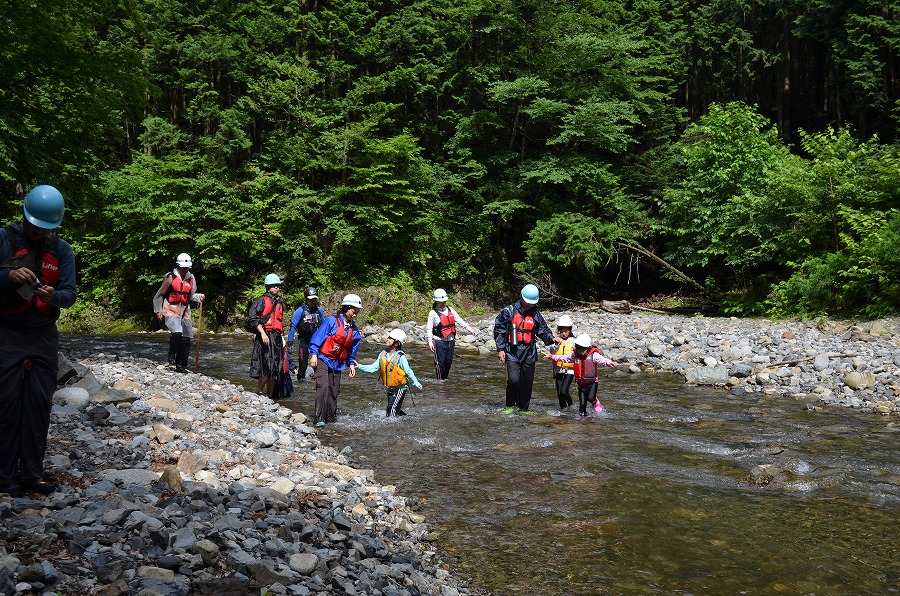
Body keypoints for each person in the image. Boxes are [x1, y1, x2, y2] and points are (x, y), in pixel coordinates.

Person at [0, 185, 77, 497]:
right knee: (6, 403)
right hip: (6, 332)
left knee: (38, 404)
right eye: (35, 225)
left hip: (44, 335)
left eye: (45, 228)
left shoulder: (62, 250)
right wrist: (7, 277)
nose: (38, 232)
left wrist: (53, 296)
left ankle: (32, 474)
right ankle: (5, 477)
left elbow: (69, 295)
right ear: (24, 214)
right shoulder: (3, 239)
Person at [493, 284, 561, 414]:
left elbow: (543, 330)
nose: (529, 305)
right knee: (513, 380)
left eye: (532, 302)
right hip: (512, 351)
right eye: (527, 302)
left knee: (527, 382)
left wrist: (551, 338)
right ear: (521, 297)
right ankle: (509, 406)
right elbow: (499, 330)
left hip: (529, 352)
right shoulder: (509, 311)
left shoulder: (535, 313)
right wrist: (500, 349)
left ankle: (523, 408)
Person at [308, 293, 363, 427]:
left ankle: (331, 419)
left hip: (337, 363)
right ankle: (319, 418)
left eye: (357, 312)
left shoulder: (353, 329)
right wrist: (313, 354)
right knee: (323, 386)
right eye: (353, 311)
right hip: (322, 358)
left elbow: (352, 348)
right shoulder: (331, 321)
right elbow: (317, 337)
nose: (355, 314)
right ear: (346, 308)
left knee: (334, 390)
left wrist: (350, 363)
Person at [152, 252, 205, 373]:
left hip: (184, 311)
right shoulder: (170, 277)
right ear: (178, 266)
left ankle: (181, 366)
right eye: (182, 267)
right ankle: (171, 354)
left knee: (186, 339)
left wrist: (199, 297)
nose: (184, 270)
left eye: (187, 268)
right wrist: (158, 310)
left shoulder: (191, 278)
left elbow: (191, 295)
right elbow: (159, 295)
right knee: (177, 333)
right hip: (170, 308)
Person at [546, 333, 616, 417]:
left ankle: (595, 401)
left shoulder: (594, 356)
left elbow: (603, 360)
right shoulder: (575, 356)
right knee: (582, 407)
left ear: (588, 348)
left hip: (592, 382)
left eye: (583, 350)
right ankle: (583, 421)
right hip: (581, 384)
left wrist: (610, 363)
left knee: (590, 398)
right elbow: (564, 358)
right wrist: (551, 356)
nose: (581, 352)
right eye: (579, 350)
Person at [357, 328, 424, 416]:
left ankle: (393, 427)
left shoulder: (401, 357)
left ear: (396, 343)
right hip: (390, 388)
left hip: (400, 388)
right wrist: (359, 366)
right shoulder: (382, 354)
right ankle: (408, 419)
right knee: (391, 409)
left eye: (390, 338)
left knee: (391, 411)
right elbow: (373, 368)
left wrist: (416, 382)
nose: (387, 339)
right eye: (388, 337)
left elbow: (408, 371)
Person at [426, 288, 478, 380]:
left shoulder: (450, 310)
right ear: (436, 302)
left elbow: (459, 320)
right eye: (440, 302)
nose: (442, 303)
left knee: (448, 362)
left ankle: (445, 381)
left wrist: (470, 329)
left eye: (444, 301)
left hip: (450, 341)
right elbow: (429, 328)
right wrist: (430, 342)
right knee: (440, 363)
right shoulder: (432, 313)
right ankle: (440, 383)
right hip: (438, 341)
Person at [248, 273, 285, 398]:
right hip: (265, 336)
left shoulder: (280, 302)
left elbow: (279, 321)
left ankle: (269, 395)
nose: (276, 288)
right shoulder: (261, 301)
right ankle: (259, 391)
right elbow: (253, 319)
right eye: (273, 286)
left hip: (276, 337)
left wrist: (282, 338)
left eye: (278, 286)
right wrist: (263, 333)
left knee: (275, 366)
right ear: (267, 287)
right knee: (265, 364)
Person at [287, 286, 325, 383]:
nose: (313, 302)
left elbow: (324, 327)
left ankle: (318, 384)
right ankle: (301, 385)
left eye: (314, 300)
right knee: (303, 366)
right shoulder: (300, 311)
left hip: (316, 342)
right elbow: (292, 328)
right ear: (306, 299)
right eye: (310, 300)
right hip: (303, 341)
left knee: (318, 364)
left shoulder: (319, 311)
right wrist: (290, 344)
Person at [551, 315, 575, 410]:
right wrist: (556, 344)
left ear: (570, 330)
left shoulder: (574, 341)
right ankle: (563, 410)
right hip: (558, 369)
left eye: (566, 331)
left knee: (564, 391)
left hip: (569, 370)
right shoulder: (556, 340)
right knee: (559, 392)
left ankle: (571, 406)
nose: (564, 334)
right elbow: (552, 352)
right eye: (562, 331)